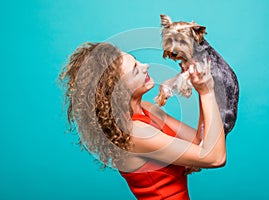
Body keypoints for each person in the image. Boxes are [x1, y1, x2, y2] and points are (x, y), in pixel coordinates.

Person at [59, 42, 226, 200]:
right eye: (135, 70)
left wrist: (198, 84)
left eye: (137, 61)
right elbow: (215, 158)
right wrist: (206, 92)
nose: (145, 66)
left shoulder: (147, 108)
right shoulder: (134, 133)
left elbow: (199, 143)